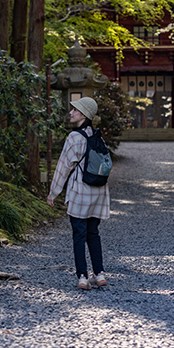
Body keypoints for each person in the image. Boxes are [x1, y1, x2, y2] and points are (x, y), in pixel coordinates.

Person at [46, 97, 110, 290]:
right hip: (98, 193)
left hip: (81, 192)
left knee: (79, 235)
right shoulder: (97, 136)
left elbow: (63, 167)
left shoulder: (74, 137)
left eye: (74, 110)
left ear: (83, 114)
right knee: (93, 234)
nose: (71, 113)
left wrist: (53, 193)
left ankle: (82, 276)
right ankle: (99, 274)